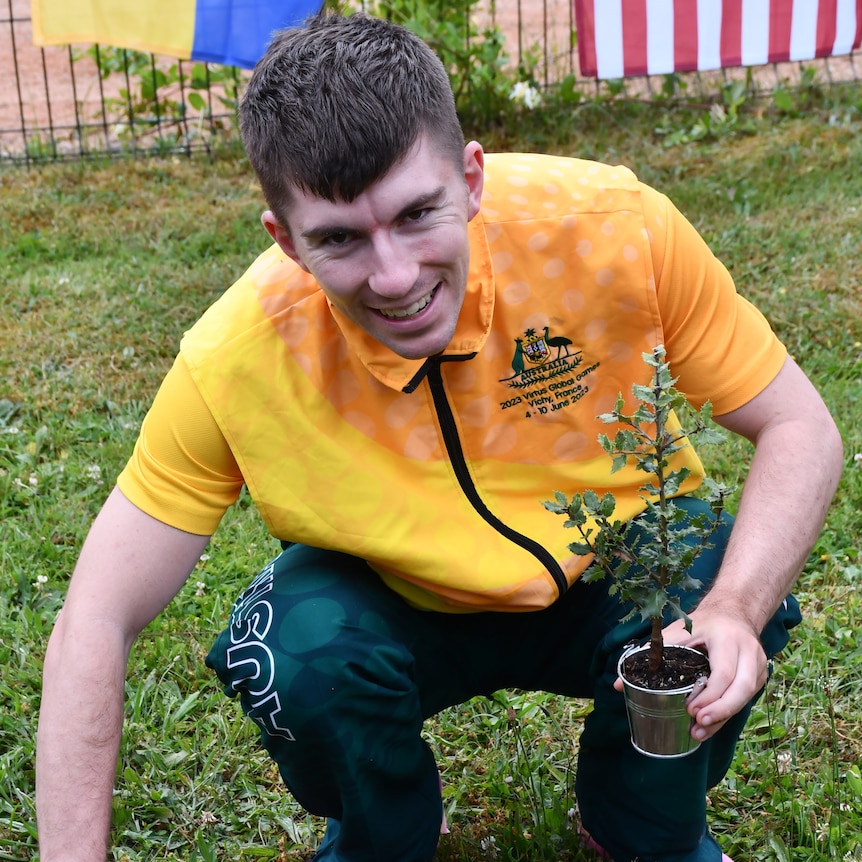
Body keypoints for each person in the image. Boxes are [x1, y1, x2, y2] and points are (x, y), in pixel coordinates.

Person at [35, 11, 843, 862]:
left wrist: (735, 608)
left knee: (712, 574)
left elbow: (800, 426)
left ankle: (643, 829)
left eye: (418, 213)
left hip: (617, 564)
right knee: (287, 649)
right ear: (286, 242)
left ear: (471, 179)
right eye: (340, 238)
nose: (394, 276)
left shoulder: (615, 228)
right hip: (401, 604)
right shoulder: (233, 357)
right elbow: (94, 616)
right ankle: (386, 839)